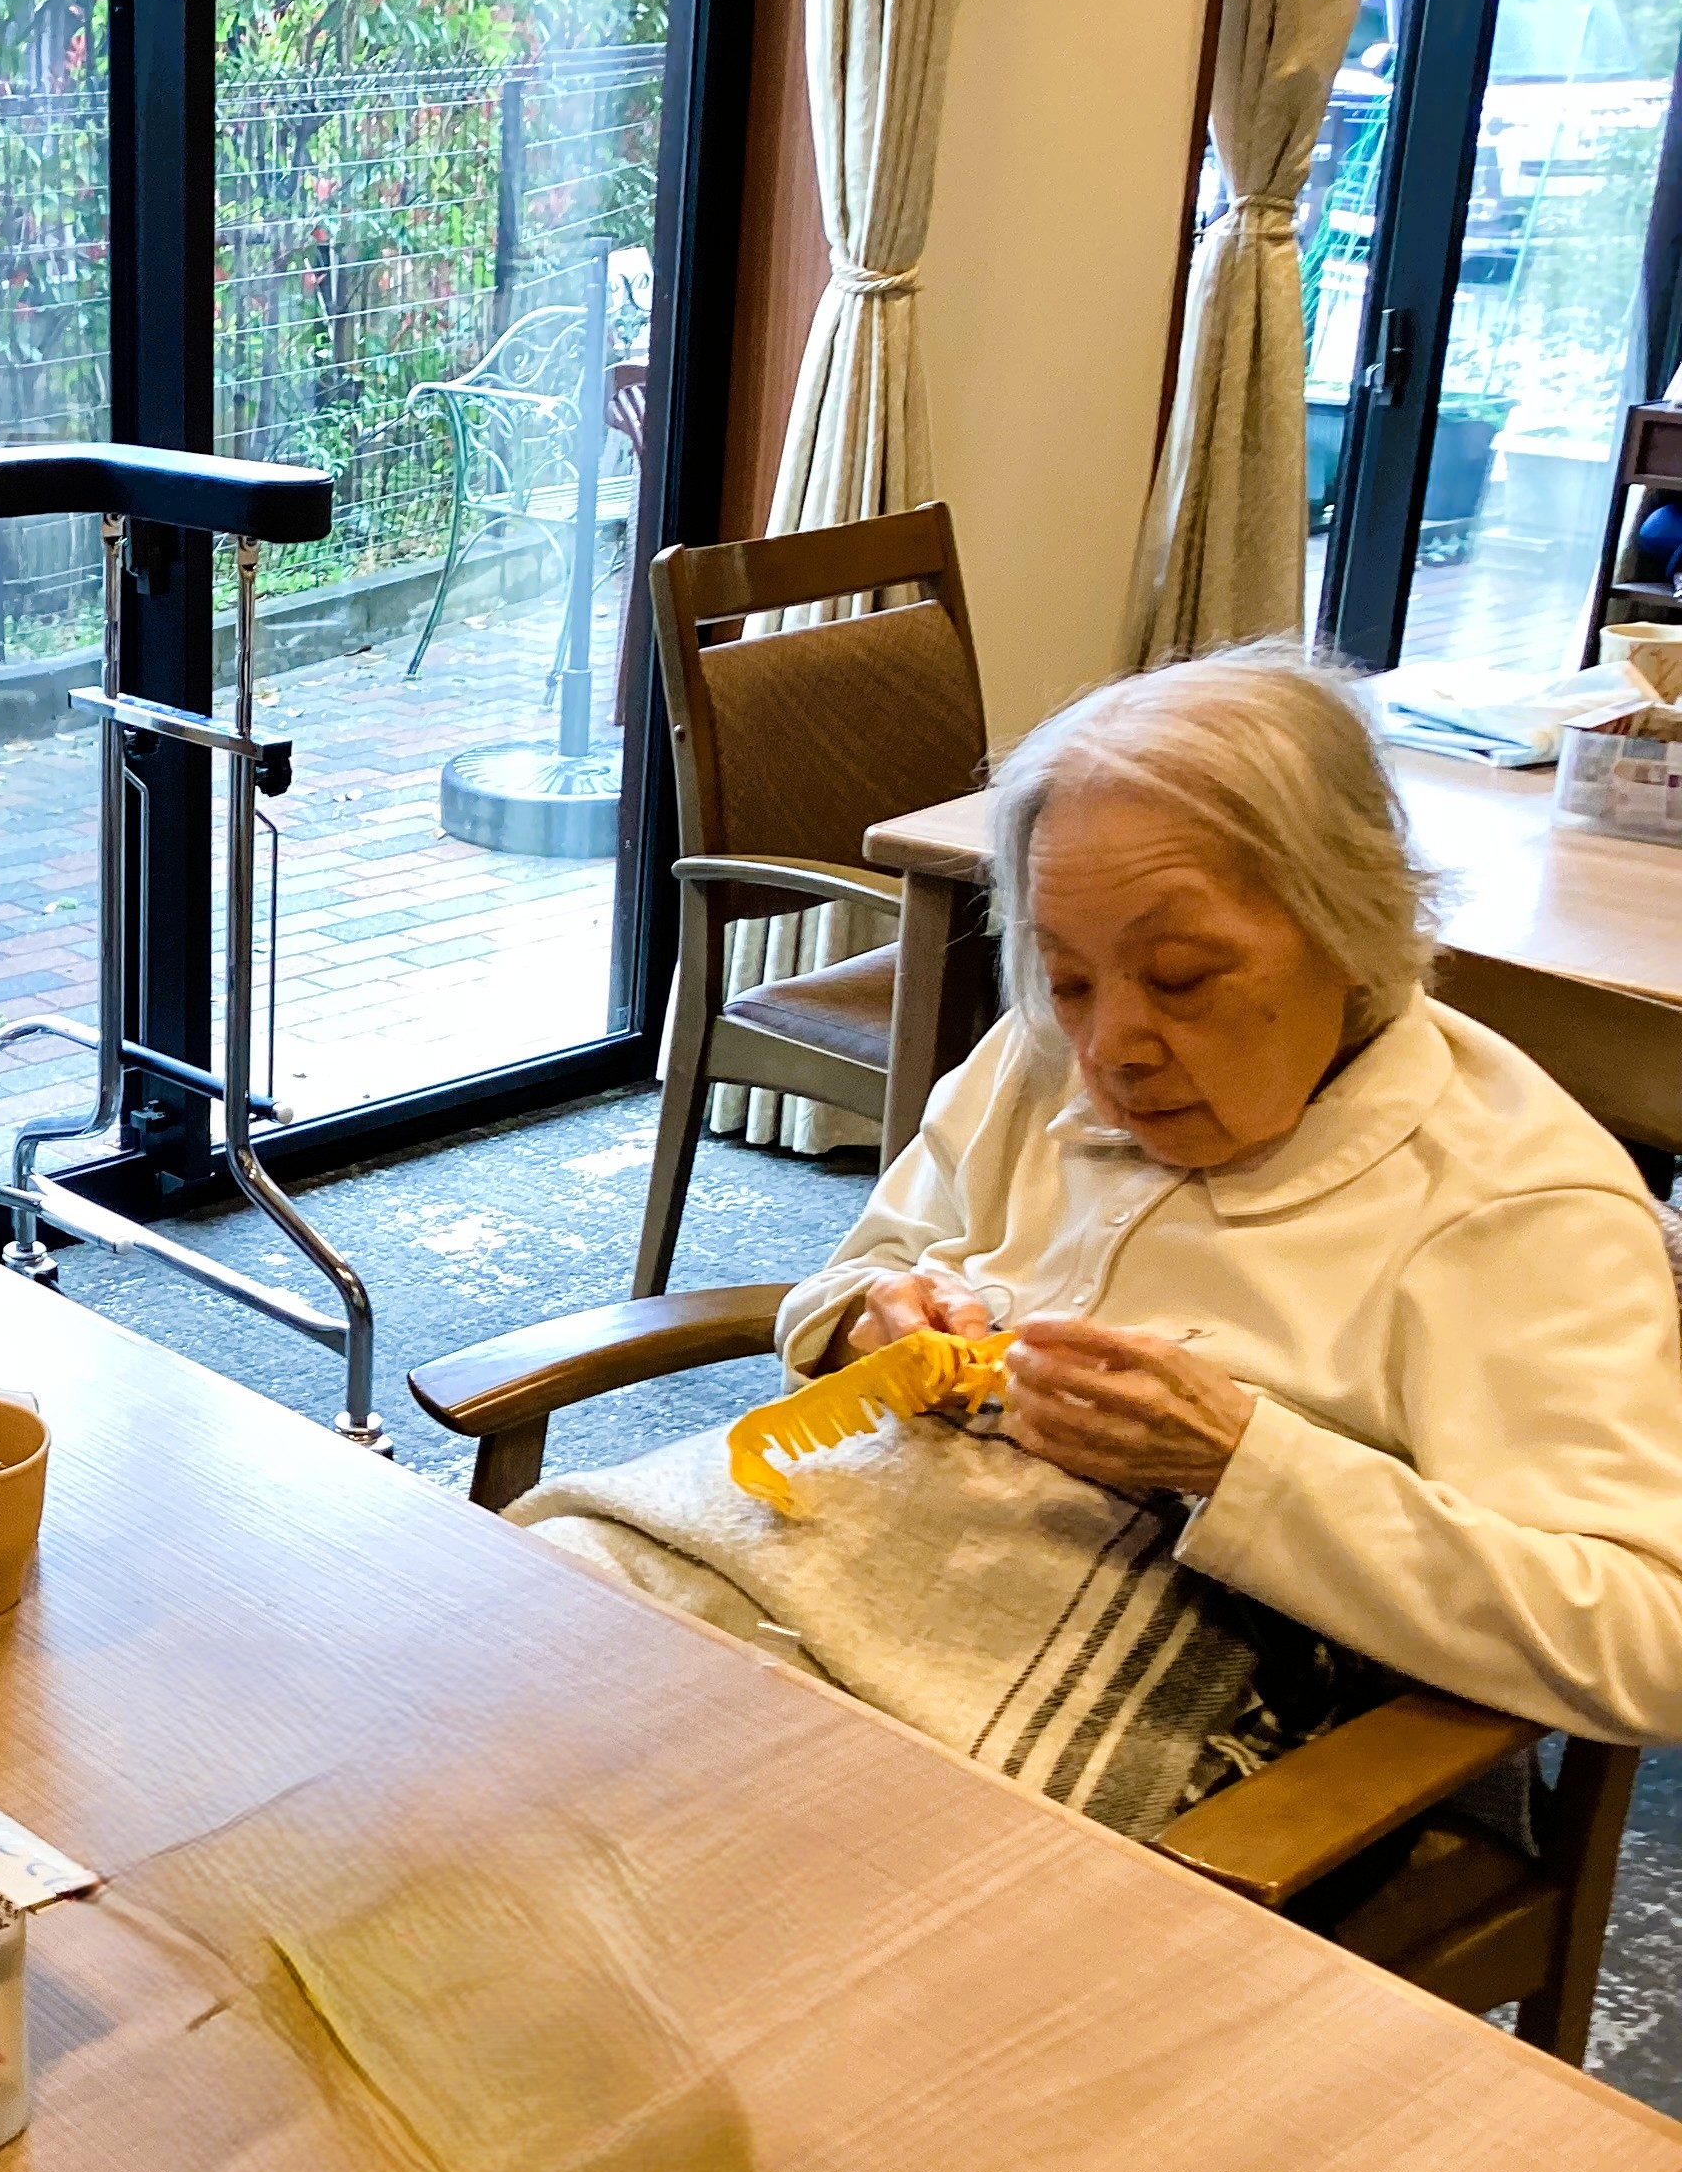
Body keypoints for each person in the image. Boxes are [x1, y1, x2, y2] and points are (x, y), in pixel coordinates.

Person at [513, 645, 1682, 1830]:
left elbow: (1650, 1642)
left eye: (1183, 979)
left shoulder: (1514, 1206)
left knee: (678, 1836)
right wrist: (873, 1319)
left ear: (1357, 926)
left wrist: (1243, 1463)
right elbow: (868, 1266)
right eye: (1069, 980)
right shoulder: (1041, 1052)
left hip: (1162, 1724)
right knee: (501, 1668)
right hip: (842, 1575)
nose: (1110, 1049)